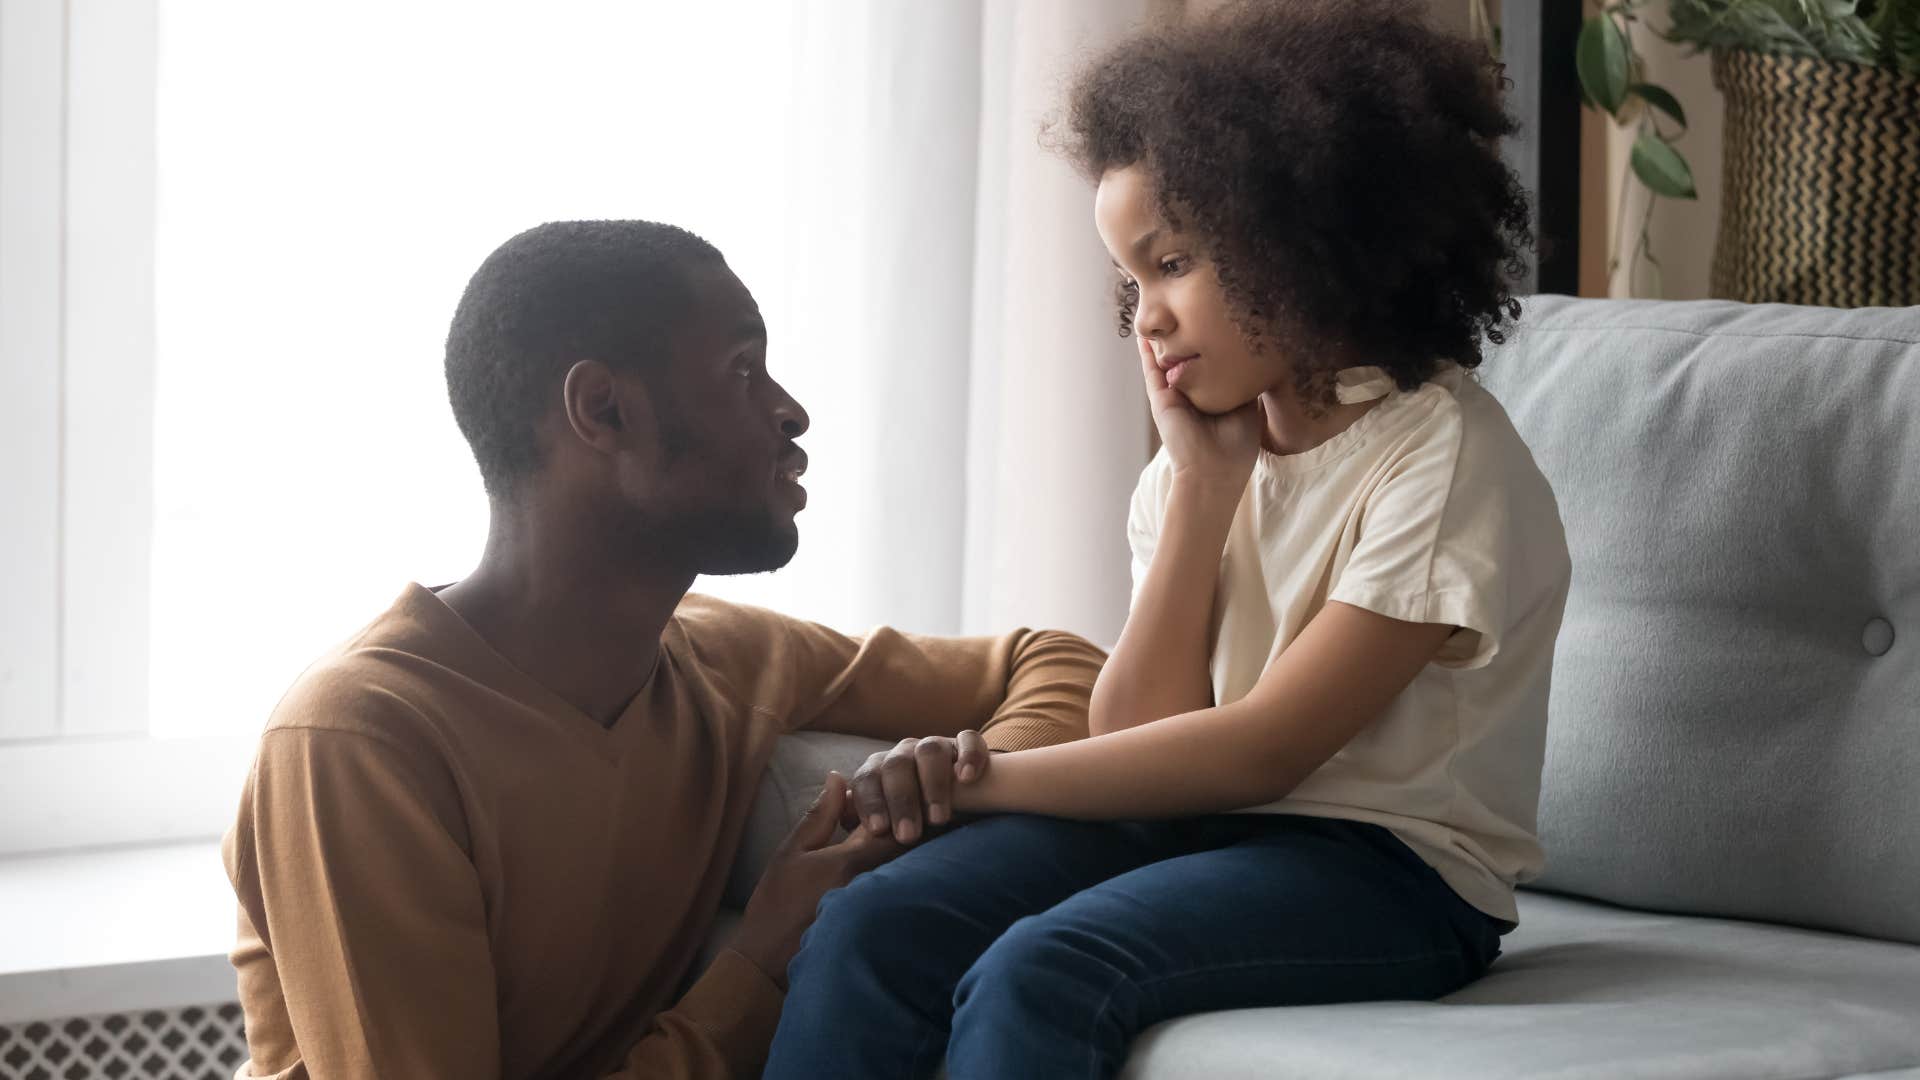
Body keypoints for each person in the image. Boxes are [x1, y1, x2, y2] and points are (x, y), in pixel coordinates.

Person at [764, 1, 1573, 1076]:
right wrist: (1201, 492)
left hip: (1394, 873)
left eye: (1175, 261)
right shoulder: (1192, 473)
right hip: (1205, 827)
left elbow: (1263, 748)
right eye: (1131, 280)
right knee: (874, 922)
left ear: (1298, 235)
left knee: (1044, 967)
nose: (1146, 316)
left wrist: (982, 778)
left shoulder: (1439, 458)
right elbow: (1139, 730)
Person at [220, 219, 1106, 1079]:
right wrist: (760, 965)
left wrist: (967, 785)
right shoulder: (362, 743)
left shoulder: (724, 662)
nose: (791, 412)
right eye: (743, 371)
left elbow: (1058, 661)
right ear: (602, 410)